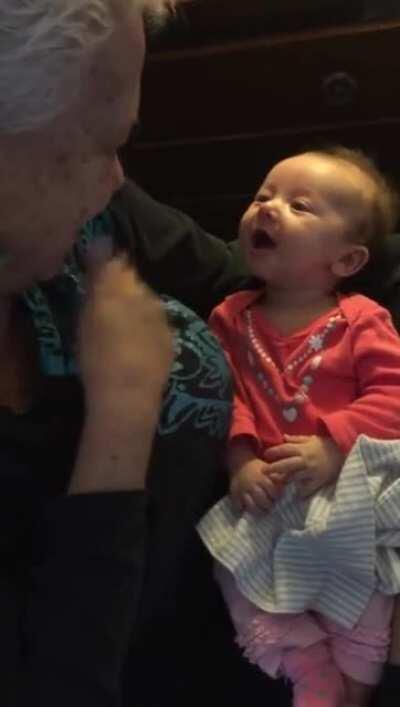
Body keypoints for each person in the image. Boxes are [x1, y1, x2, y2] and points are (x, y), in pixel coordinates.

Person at [198, 147, 400, 707]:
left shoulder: (362, 320)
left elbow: (394, 394)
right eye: (263, 195)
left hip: (347, 488)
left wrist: (335, 444)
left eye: (299, 205)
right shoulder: (229, 317)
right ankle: (302, 663)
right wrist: (240, 462)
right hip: (266, 492)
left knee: (370, 586)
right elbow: (223, 394)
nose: (268, 208)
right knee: (229, 564)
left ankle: (357, 685)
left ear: (347, 260)